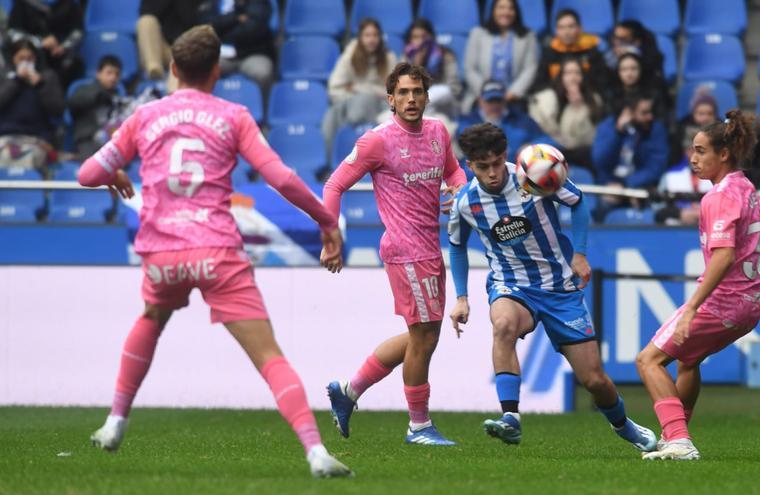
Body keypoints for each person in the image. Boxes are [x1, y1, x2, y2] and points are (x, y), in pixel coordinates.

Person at [78, 25, 351, 478]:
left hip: (163, 252)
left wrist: (114, 175)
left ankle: (114, 422)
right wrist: (325, 221)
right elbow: (280, 178)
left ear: (172, 68)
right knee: (269, 356)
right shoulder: (233, 115)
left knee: (151, 317)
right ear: (216, 72)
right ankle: (315, 451)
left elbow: (87, 173)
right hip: (216, 250)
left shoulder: (145, 116)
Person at [446, 123, 657, 451]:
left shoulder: (534, 174)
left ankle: (624, 426)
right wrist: (461, 297)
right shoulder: (465, 203)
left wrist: (580, 254)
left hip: (560, 287)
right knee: (502, 324)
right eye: (481, 167)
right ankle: (511, 418)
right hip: (512, 283)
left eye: (497, 163)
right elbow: (457, 246)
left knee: (594, 380)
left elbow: (578, 201)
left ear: (505, 157)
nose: (491, 174)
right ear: (468, 165)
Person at [322, 62, 467, 446]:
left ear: (427, 96)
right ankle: (418, 427)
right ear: (390, 99)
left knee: (422, 336)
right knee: (423, 338)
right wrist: (330, 236)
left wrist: (458, 191)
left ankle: (348, 391)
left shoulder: (438, 132)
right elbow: (334, 185)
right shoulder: (377, 141)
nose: (411, 98)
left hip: (428, 248)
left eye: (417, 91)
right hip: (404, 250)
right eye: (403, 92)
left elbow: (454, 172)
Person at [636, 110, 760, 461]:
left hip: (725, 301)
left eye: (700, 151)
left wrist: (693, 307)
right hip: (752, 303)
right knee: (688, 360)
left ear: (723, 154)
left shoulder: (719, 196)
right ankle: (675, 436)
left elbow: (724, 256)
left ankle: (679, 439)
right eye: (691, 151)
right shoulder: (745, 186)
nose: (692, 159)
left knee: (649, 361)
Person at [322, 17, 397, 158]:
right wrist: (354, 96)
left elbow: (395, 93)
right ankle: (330, 161)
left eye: (375, 35)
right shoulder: (350, 55)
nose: (372, 40)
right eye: (367, 35)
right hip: (349, 104)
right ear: (360, 37)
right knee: (330, 117)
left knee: (367, 101)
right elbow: (334, 88)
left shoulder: (389, 58)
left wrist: (359, 88)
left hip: (380, 106)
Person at [592, 93, 669, 220]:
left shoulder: (656, 129)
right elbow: (600, 161)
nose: (650, 117)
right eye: (644, 113)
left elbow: (656, 166)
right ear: (629, 113)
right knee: (603, 205)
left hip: (642, 187)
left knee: (655, 210)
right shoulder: (608, 127)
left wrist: (626, 185)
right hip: (610, 187)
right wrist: (617, 133)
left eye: (650, 112)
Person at [654, 88, 717, 225]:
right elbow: (657, 209)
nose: (695, 156)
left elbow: (736, 209)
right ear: (685, 151)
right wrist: (680, 213)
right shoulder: (670, 176)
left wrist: (704, 212)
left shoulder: (722, 178)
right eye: (691, 150)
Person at [462, 0, 538, 113]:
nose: (506, 12)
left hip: (514, 98)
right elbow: (469, 68)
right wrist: (485, 92)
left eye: (510, 8)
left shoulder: (527, 36)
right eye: (501, 7)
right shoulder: (478, 33)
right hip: (481, 97)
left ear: (516, 12)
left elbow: (530, 68)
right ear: (493, 11)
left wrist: (512, 93)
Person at [529, 57, 604, 170]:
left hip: (581, 154)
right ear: (560, 76)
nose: (573, 78)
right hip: (549, 152)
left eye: (577, 73)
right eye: (568, 73)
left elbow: (587, 138)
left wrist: (578, 108)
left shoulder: (593, 100)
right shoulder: (544, 100)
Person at [0, 39, 64, 171]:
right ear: (13, 59)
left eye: (30, 58)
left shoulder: (47, 77)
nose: (26, 62)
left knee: (30, 157)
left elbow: (57, 110)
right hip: (6, 137)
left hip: (36, 138)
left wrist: (40, 86)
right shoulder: (4, 77)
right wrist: (16, 81)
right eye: (21, 58)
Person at [458, 80, 556, 161]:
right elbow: (462, 157)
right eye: (490, 101)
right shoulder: (467, 123)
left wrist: (532, 147)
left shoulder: (522, 120)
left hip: (520, 172)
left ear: (505, 99)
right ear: (480, 100)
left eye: (498, 100)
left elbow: (549, 142)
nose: (495, 105)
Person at [7, 0, 84, 87]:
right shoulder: (23, 4)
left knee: (73, 66)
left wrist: (63, 47)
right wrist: (39, 42)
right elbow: (13, 32)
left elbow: (78, 32)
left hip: (61, 55)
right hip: (32, 55)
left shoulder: (70, 4)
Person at [207, 0, 275, 95]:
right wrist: (235, 18)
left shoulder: (259, 3)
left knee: (262, 73)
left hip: (252, 54)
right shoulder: (215, 3)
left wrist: (222, 32)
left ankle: (264, 107)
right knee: (202, 68)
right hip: (221, 54)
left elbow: (254, 30)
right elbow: (206, 27)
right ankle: (204, 107)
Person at [534, 8, 608, 92]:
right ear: (556, 31)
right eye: (561, 27)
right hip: (557, 96)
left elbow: (602, 82)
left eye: (571, 26)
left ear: (580, 28)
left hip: (585, 97)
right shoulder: (549, 52)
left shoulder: (592, 51)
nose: (566, 32)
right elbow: (539, 83)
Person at [402, 18, 462, 122]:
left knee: (443, 91)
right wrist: (416, 66)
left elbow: (454, 88)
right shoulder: (407, 57)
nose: (420, 41)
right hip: (421, 107)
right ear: (410, 40)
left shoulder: (445, 55)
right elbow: (403, 88)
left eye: (424, 37)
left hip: (444, 105)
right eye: (415, 37)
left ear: (431, 37)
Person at [68, 55, 125, 159]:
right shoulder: (84, 89)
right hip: (88, 140)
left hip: (112, 141)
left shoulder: (118, 97)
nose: (113, 77)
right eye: (109, 73)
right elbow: (73, 103)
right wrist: (99, 95)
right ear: (98, 74)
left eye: (117, 74)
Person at [136, 0, 204, 82]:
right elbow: (146, 11)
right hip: (161, 47)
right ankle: (154, 69)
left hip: (186, 50)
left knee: (179, 63)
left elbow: (192, 20)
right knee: (146, 21)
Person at [605, 52, 668, 122]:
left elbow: (662, 120)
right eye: (624, 69)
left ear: (641, 70)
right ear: (618, 72)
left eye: (634, 68)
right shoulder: (612, 96)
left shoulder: (653, 94)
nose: (629, 74)